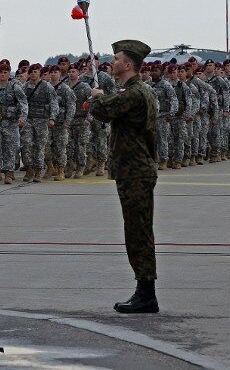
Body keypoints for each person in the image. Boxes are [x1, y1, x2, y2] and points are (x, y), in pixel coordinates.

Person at [90, 40, 159, 313]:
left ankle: (146, 294)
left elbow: (103, 111)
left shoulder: (134, 93)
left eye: (116, 58)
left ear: (128, 65)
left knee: (138, 232)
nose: (112, 61)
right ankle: (145, 291)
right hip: (135, 170)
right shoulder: (137, 91)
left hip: (135, 171)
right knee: (137, 230)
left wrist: (96, 97)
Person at [0, 62, 27, 184]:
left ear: (9, 74)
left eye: (5, 73)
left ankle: (9, 173)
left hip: (11, 123)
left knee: (10, 149)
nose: (3, 75)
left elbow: (23, 103)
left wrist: (22, 117)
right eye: (0, 73)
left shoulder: (15, 87)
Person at [47, 65, 76, 180]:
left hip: (61, 123)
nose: (53, 74)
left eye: (56, 72)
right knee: (45, 147)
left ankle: (61, 171)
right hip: (46, 123)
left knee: (60, 148)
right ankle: (50, 167)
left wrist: (67, 122)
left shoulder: (65, 89)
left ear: (60, 74)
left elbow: (71, 106)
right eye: (52, 72)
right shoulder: (46, 87)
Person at [148, 64, 177, 170]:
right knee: (150, 139)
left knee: (162, 139)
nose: (154, 72)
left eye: (156, 70)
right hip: (150, 117)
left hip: (163, 116)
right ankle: (151, 159)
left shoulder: (166, 85)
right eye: (153, 70)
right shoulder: (147, 85)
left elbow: (173, 99)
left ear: (161, 72)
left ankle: (164, 160)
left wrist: (171, 113)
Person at [66, 64, 92, 179]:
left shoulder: (84, 86)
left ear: (78, 73)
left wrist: (89, 118)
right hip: (68, 120)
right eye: (70, 71)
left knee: (81, 145)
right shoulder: (65, 86)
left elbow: (91, 103)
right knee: (69, 145)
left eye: (73, 71)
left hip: (82, 120)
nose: (71, 73)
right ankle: (71, 166)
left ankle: (81, 167)